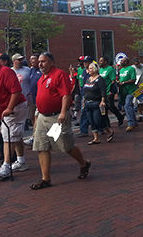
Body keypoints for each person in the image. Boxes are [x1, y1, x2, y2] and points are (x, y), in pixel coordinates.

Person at [31, 52, 91, 190]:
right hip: (42, 117)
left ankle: (83, 163)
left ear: (51, 62)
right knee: (41, 147)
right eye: (39, 61)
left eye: (43, 61)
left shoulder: (59, 74)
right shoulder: (42, 78)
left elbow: (66, 95)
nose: (40, 64)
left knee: (66, 146)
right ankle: (45, 179)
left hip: (56, 117)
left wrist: (63, 112)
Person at [83, 62, 114, 144]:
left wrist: (103, 101)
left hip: (97, 102)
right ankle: (96, 138)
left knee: (98, 120)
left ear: (95, 69)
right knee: (91, 121)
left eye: (90, 68)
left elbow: (103, 91)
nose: (88, 70)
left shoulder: (100, 79)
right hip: (88, 103)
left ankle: (109, 131)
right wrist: (84, 100)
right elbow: (85, 90)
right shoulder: (88, 79)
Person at [99, 56, 124, 127]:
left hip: (109, 91)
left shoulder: (110, 69)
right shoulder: (100, 70)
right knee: (104, 108)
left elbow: (113, 81)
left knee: (111, 106)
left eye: (101, 61)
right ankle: (107, 124)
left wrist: (112, 91)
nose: (99, 62)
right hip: (103, 91)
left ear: (105, 62)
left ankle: (120, 117)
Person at [117, 56, 138, 132]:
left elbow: (133, 79)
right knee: (130, 106)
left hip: (131, 90)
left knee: (127, 106)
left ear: (126, 62)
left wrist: (124, 83)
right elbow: (120, 79)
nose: (121, 62)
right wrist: (119, 82)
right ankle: (135, 121)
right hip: (123, 91)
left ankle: (130, 123)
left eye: (122, 61)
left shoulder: (131, 69)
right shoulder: (121, 70)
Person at [77, 56, 94, 137]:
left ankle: (103, 127)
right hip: (85, 94)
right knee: (84, 112)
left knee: (95, 112)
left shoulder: (93, 71)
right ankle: (83, 130)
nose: (84, 63)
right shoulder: (84, 71)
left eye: (86, 62)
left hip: (92, 94)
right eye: (84, 62)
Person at [132, 58, 143, 122]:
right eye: (136, 64)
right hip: (135, 86)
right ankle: (140, 114)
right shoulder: (132, 68)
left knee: (142, 100)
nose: (137, 65)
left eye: (138, 63)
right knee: (137, 101)